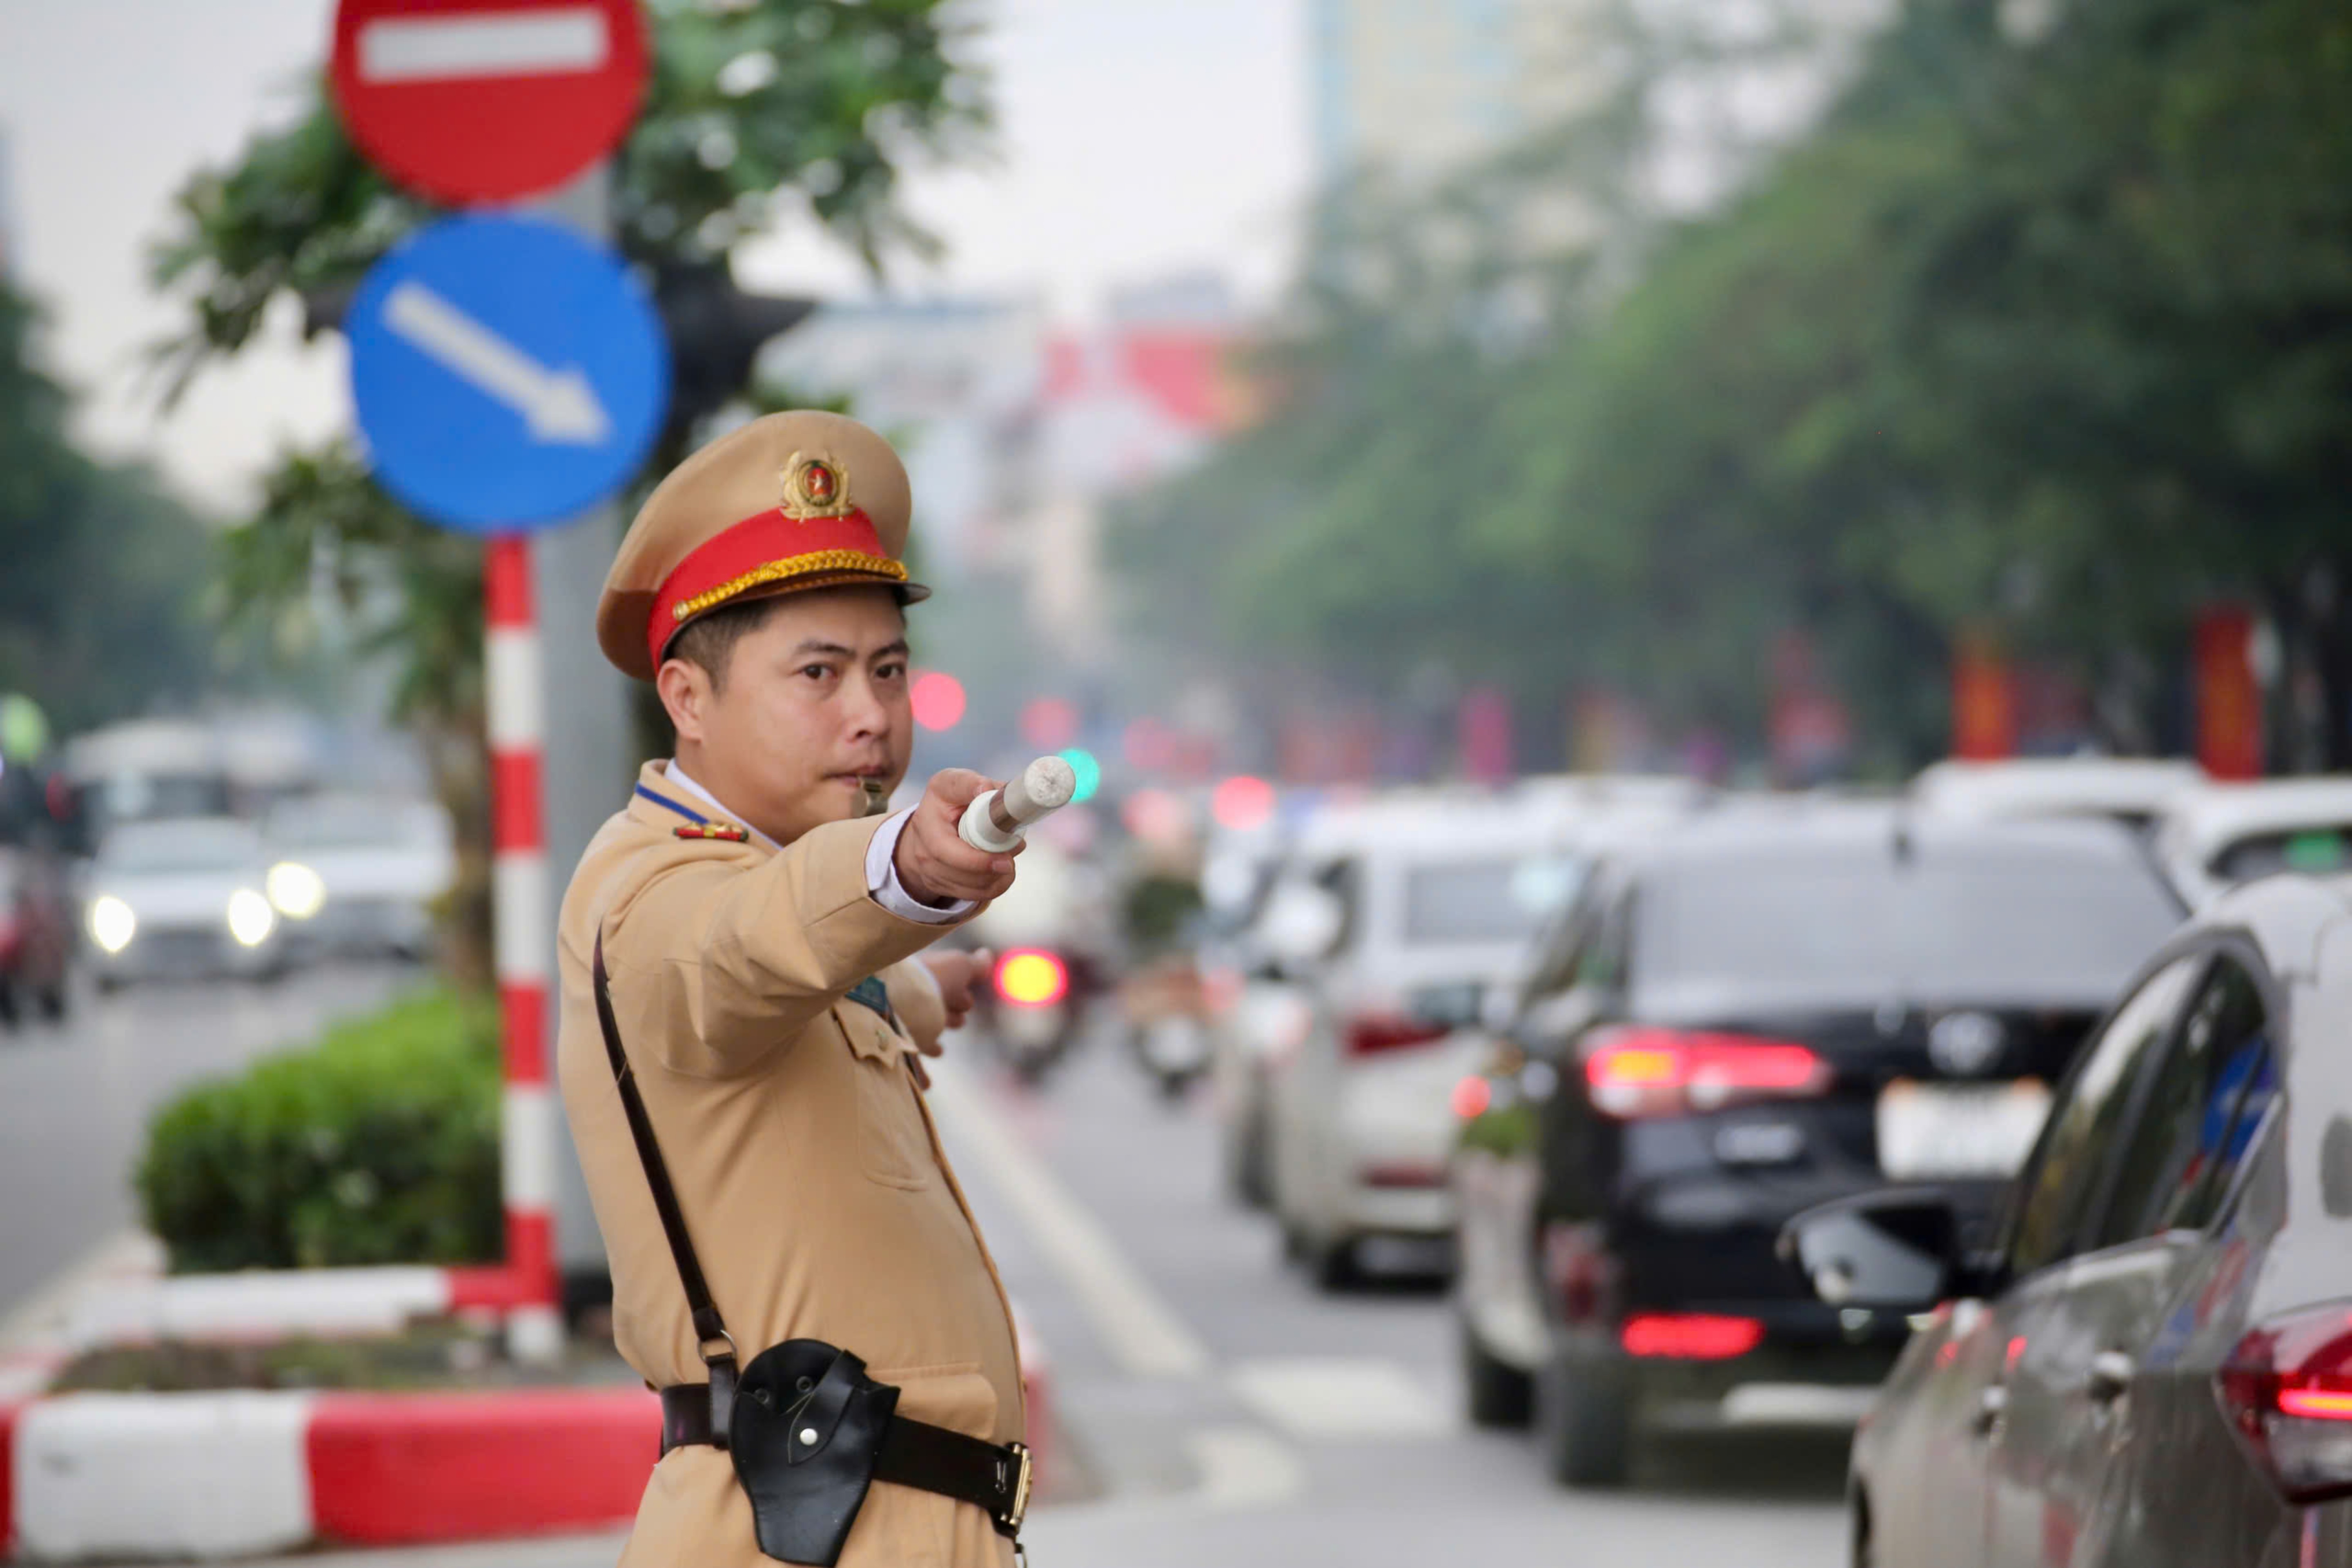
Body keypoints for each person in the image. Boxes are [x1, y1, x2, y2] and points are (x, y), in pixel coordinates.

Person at [556, 410, 1031, 1567]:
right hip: (801, 1531)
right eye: (817, 674)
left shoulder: (776, 898)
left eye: (888, 670)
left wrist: (923, 981)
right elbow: (744, 949)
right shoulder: (645, 893)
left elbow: (812, 970)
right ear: (690, 699)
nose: (871, 714)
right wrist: (903, 870)